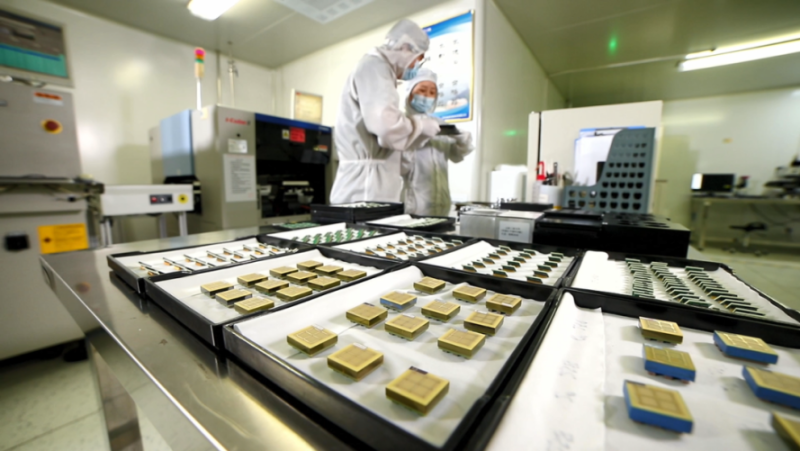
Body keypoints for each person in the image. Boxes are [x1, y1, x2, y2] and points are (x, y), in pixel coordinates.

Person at [329, 19, 441, 204]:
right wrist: (419, 126)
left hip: (374, 185)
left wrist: (415, 138)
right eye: (417, 59)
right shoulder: (374, 66)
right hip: (364, 188)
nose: (416, 66)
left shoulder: (382, 72)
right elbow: (386, 126)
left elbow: (390, 144)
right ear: (405, 47)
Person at [401, 69, 473, 216]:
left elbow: (456, 156)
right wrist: (418, 136)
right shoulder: (400, 124)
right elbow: (398, 164)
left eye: (432, 92)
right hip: (412, 203)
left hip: (441, 202)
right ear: (409, 93)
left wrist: (461, 139)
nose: (426, 97)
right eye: (422, 90)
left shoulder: (439, 124)